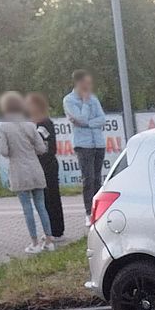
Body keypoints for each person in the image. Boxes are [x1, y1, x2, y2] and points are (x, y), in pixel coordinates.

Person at [0, 91, 55, 254]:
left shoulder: (5, 128)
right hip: (35, 169)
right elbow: (42, 148)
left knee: (27, 208)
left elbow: (4, 151)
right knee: (41, 206)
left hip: (19, 172)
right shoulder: (30, 125)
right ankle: (49, 240)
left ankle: (34, 243)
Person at [62, 70, 107, 216]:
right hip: (83, 145)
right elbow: (80, 119)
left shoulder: (94, 98)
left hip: (98, 143)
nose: (89, 85)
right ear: (79, 82)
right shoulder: (69, 100)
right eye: (86, 83)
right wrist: (86, 103)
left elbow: (102, 119)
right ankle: (89, 213)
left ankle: (99, 211)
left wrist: (87, 123)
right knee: (88, 179)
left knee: (97, 179)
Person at [26, 92, 65, 241]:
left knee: (52, 198)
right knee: (43, 199)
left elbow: (46, 145)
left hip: (48, 165)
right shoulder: (31, 122)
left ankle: (57, 230)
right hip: (37, 165)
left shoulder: (45, 122)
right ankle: (49, 230)